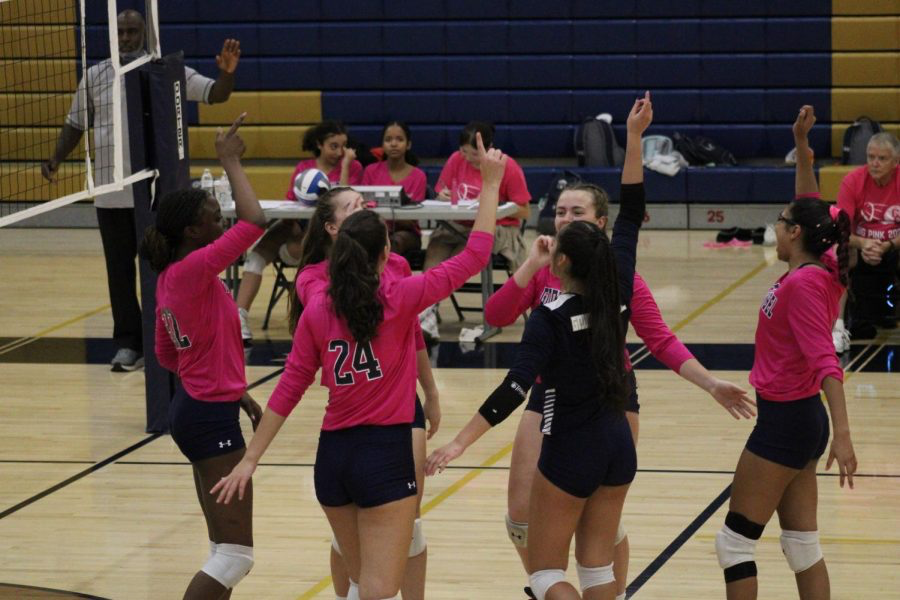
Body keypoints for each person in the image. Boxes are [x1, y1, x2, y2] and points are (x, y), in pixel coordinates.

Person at [481, 93, 755, 600]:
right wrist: (531, 267)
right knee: (521, 518)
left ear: (600, 223)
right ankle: (563, 585)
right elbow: (494, 316)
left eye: (577, 211)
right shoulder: (546, 271)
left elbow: (663, 342)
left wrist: (711, 382)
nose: (564, 219)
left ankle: (604, 590)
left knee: (599, 526)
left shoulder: (618, 277)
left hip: (609, 394)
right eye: (559, 211)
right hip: (548, 395)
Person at [212, 133, 504, 600]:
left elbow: (288, 390)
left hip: (333, 457)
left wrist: (251, 458)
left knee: (360, 582)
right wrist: (491, 185)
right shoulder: (397, 295)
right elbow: (475, 254)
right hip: (384, 453)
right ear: (386, 251)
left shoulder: (319, 309)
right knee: (377, 591)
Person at [426, 96, 652, 600]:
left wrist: (459, 443)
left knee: (546, 573)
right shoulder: (618, 284)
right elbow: (633, 208)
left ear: (564, 261)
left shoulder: (549, 320)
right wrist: (633, 138)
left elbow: (512, 388)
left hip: (572, 439)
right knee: (595, 569)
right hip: (617, 438)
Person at [42, 8, 240, 371]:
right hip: (110, 193)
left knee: (159, 273)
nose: (127, 38)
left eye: (133, 32)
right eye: (121, 32)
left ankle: (164, 341)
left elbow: (216, 95)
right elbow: (75, 124)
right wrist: (55, 159)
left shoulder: (166, 71)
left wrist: (227, 75)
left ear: (145, 34)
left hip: (154, 194)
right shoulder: (95, 76)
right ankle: (128, 344)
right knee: (118, 273)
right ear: (113, 35)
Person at [713, 105, 857, 600]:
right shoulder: (826, 262)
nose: (775, 228)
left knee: (733, 544)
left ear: (795, 234)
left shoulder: (802, 285)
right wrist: (802, 149)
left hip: (787, 422)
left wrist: (843, 437)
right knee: (800, 544)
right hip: (799, 420)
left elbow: (827, 364)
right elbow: (810, 203)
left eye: (780, 223)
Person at [289, 186, 439, 600]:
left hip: (400, 407)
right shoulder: (314, 280)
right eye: (354, 207)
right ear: (333, 228)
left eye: (365, 205)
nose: (364, 210)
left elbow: (409, 332)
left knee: (410, 523)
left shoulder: (398, 265)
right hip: (354, 418)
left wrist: (430, 390)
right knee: (355, 537)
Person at [139, 114, 265, 599]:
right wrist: (229, 159)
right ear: (193, 231)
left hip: (198, 410)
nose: (222, 221)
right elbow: (256, 220)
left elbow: (168, 355)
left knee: (223, 549)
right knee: (235, 556)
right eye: (215, 216)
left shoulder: (176, 277)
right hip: (206, 419)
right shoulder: (194, 269)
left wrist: (231, 392)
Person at [237, 121, 365, 344]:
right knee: (257, 254)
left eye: (344, 146)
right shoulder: (304, 168)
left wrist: (345, 165)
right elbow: (292, 205)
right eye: (334, 146)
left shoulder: (352, 167)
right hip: (299, 233)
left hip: (333, 239)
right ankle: (239, 318)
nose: (340, 152)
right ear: (319, 144)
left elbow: (346, 202)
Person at [419, 121, 531, 341]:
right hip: (456, 225)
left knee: (464, 252)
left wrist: (494, 203)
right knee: (435, 249)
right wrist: (442, 195)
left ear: (487, 148)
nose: (468, 158)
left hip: (496, 228)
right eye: (463, 152)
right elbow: (443, 190)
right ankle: (426, 314)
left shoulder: (505, 165)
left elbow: (525, 210)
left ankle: (429, 310)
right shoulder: (455, 160)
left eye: (474, 154)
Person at [834, 131, 899, 347]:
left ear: (895, 162)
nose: (875, 163)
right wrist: (863, 244)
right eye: (871, 157)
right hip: (861, 248)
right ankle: (838, 326)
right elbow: (840, 229)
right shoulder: (852, 181)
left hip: (894, 246)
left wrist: (888, 245)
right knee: (839, 251)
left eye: (882, 158)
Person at [361, 121, 428, 259]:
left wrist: (382, 214)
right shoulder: (370, 171)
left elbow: (411, 220)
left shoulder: (418, 176)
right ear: (382, 145)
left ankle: (388, 280)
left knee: (391, 242)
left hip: (407, 233)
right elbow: (363, 209)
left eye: (399, 139)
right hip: (373, 230)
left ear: (408, 144)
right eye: (388, 139)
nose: (393, 144)